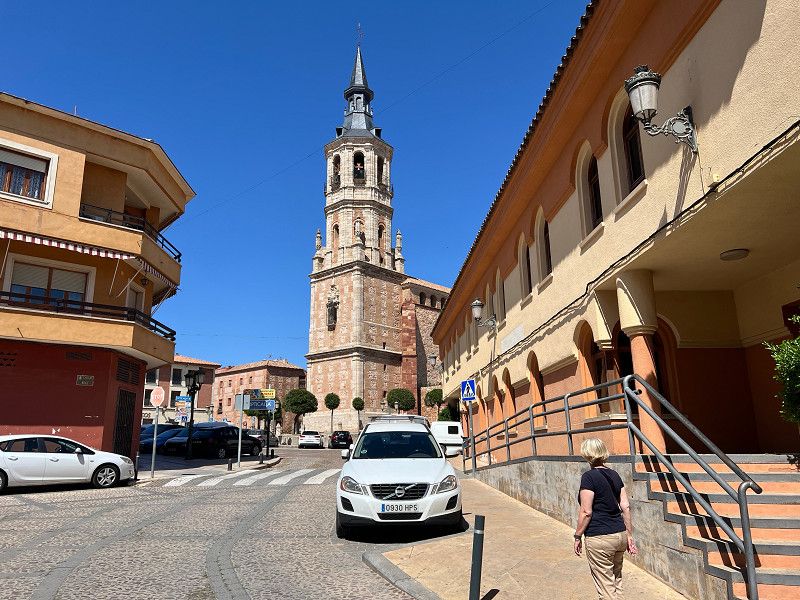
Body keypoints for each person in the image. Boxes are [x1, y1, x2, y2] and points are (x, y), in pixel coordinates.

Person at [573, 438, 638, 599]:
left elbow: (586, 511)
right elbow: (625, 506)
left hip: (600, 537)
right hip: (619, 535)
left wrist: (577, 536)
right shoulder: (614, 475)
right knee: (616, 583)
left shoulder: (589, 477)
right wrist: (629, 535)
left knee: (606, 589)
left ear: (586, 454)